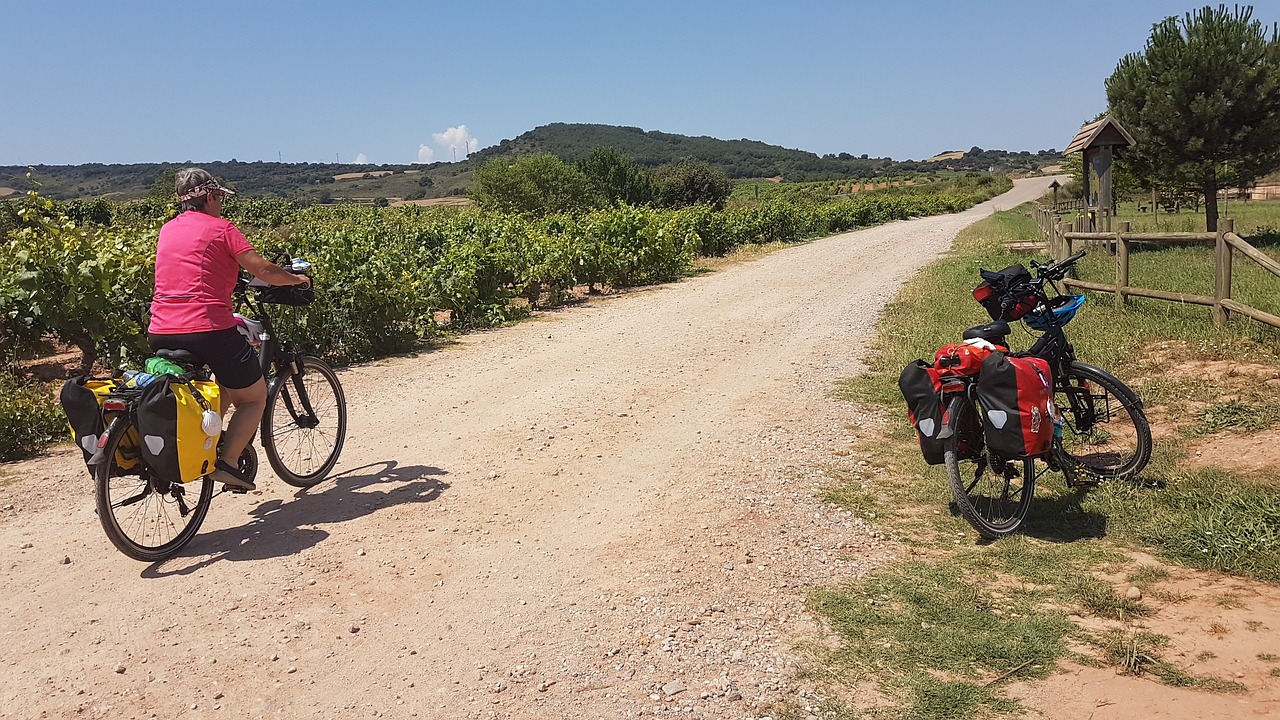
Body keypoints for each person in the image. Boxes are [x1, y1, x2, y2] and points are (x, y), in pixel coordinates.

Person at [147, 168, 310, 491]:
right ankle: (228, 463)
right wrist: (297, 280)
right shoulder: (222, 229)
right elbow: (262, 268)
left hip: (160, 328)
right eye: (219, 197)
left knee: (216, 384)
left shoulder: (167, 230)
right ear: (209, 197)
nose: (221, 203)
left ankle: (204, 441)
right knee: (253, 397)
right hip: (205, 328)